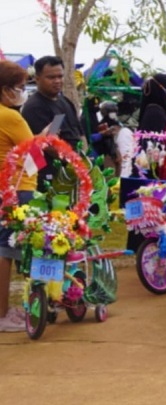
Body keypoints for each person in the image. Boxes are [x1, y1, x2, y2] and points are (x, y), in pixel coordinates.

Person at [0, 61, 37, 332]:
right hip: (16, 188)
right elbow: (33, 152)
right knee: (7, 251)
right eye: (19, 88)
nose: (22, 93)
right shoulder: (10, 117)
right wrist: (47, 137)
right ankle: (2, 315)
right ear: (4, 90)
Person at [22, 56, 87, 190]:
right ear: (38, 78)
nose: (57, 81)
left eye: (60, 76)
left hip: (73, 172)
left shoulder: (65, 102)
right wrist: (74, 164)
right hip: (51, 177)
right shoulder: (35, 106)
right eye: (51, 77)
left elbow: (80, 134)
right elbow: (48, 145)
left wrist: (84, 161)